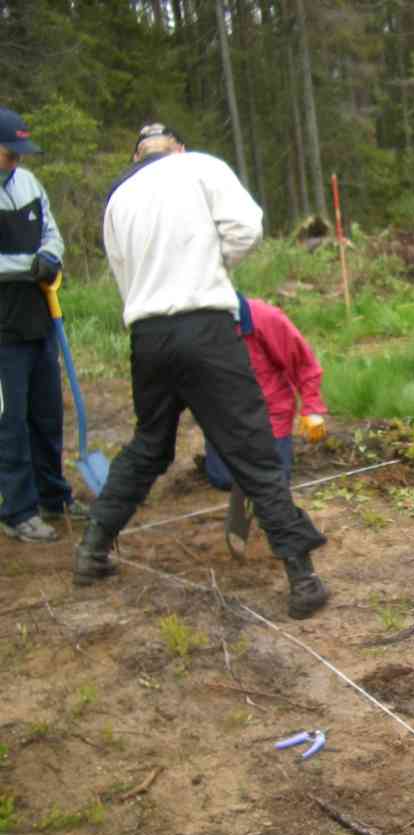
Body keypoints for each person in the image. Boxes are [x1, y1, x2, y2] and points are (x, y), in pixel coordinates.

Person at [73, 123, 330, 620]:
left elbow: (121, 267)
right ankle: (302, 578)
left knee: (149, 444)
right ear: (178, 149)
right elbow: (247, 227)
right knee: (251, 447)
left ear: (137, 156)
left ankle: (92, 549)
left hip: (148, 334)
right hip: (206, 327)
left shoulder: (119, 197)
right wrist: (209, 268)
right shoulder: (199, 167)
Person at [0, 107, 87, 543]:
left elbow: (51, 231)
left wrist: (51, 255)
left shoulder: (29, 183)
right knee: (10, 421)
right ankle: (17, 510)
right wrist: (28, 265)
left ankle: (54, 496)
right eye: (9, 152)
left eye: (20, 152)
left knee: (47, 414)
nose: (16, 159)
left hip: (39, 318)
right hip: (2, 331)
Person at [201, 293, 327, 491]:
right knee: (223, 480)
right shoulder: (194, 326)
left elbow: (304, 364)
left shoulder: (265, 318)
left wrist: (311, 408)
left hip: (270, 416)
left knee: (272, 482)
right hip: (223, 418)